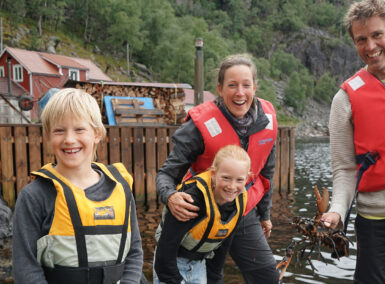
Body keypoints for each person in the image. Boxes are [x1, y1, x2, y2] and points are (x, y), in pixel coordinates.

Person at [156, 53, 279, 283]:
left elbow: (266, 173)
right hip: (202, 210)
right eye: (232, 85)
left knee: (268, 277)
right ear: (220, 89)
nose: (240, 93)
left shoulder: (269, 121)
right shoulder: (198, 126)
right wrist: (171, 197)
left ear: (255, 87)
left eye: (246, 85)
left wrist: (265, 215)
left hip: (243, 209)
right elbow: (166, 174)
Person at [12, 88, 143, 284]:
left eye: (79, 129)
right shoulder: (34, 196)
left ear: (97, 133)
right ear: (48, 136)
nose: (69, 139)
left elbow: (134, 251)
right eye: (59, 130)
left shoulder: (120, 188)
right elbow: (26, 268)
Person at [320, 0, 385, 283]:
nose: (370, 46)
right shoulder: (344, 99)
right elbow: (344, 170)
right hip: (376, 224)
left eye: (377, 35)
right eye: (361, 39)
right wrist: (337, 211)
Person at [154, 145, 251, 284]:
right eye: (226, 178)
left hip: (199, 264)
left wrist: (215, 279)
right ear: (213, 174)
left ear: (247, 178)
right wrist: (173, 280)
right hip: (170, 263)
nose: (232, 186)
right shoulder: (191, 200)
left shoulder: (239, 202)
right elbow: (166, 248)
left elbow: (223, 246)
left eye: (239, 180)